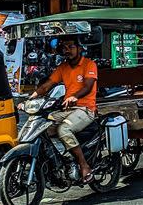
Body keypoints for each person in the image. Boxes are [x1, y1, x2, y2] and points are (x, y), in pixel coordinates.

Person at [19, 37, 98, 182]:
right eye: (64, 47)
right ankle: (58, 161)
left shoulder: (89, 65)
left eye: (70, 46)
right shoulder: (63, 67)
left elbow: (87, 87)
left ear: (79, 48)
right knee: (41, 127)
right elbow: (46, 86)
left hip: (85, 109)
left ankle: (84, 165)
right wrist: (29, 99)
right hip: (66, 109)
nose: (67, 50)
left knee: (64, 130)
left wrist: (74, 97)